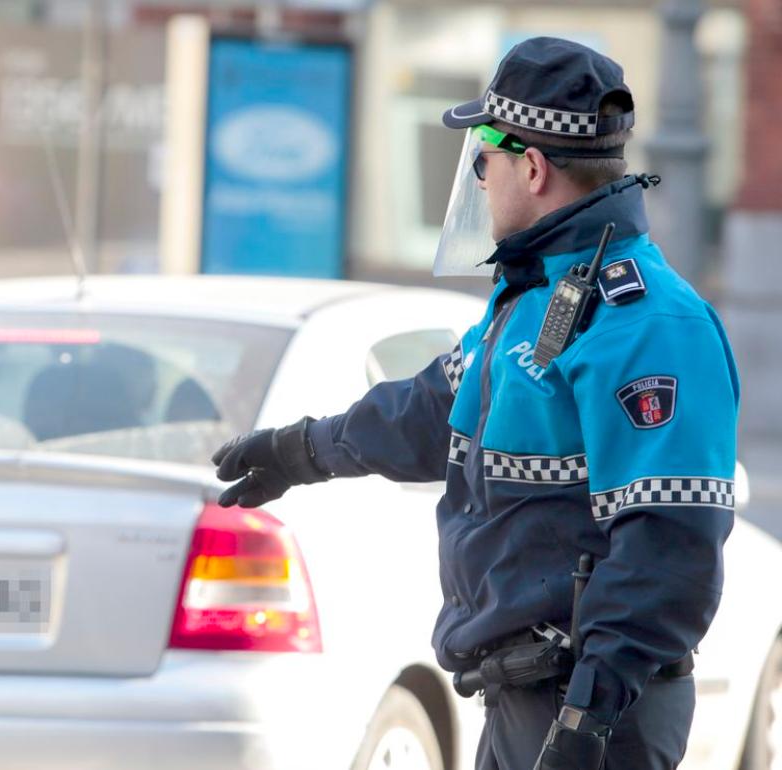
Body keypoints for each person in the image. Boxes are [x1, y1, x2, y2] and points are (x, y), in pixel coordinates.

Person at [212, 37, 738, 770]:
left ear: (532, 165)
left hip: (592, 714)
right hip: (525, 701)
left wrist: (587, 720)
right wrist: (297, 450)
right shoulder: (530, 300)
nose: (479, 179)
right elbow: (427, 413)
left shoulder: (646, 325)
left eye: (483, 156)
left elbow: (668, 543)